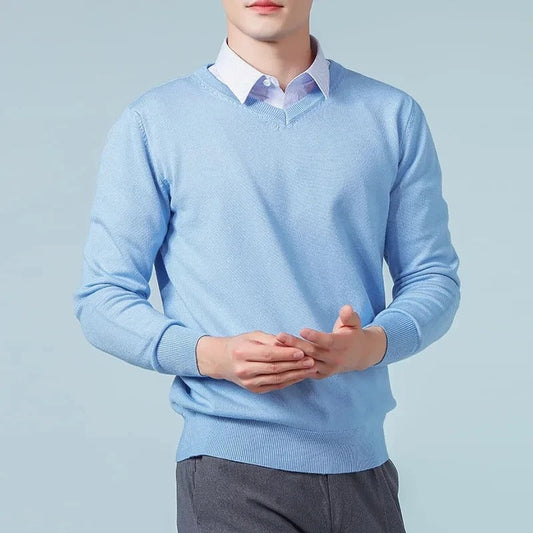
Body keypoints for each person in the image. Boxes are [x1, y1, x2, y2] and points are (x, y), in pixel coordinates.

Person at [72, 1, 461, 531]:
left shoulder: (392, 115)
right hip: (230, 470)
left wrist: (371, 344)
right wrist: (213, 356)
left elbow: (433, 277)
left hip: (365, 468)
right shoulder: (154, 122)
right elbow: (102, 298)